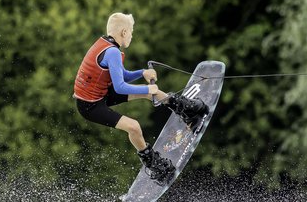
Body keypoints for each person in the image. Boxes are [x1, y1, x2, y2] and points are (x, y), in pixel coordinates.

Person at [73, 13, 208, 184]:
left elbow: (122, 77)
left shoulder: (107, 46)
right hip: (89, 106)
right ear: (123, 32)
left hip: (102, 94)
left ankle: (188, 111)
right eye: (131, 32)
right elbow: (120, 86)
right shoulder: (112, 52)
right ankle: (156, 166)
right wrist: (148, 87)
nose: (131, 35)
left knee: (150, 92)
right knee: (134, 127)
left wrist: (142, 73)